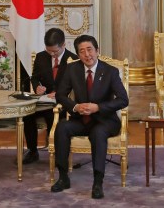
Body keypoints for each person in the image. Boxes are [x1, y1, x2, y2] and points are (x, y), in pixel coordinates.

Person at [50, 34, 129, 200]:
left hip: (105, 121)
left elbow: (123, 100)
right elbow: (61, 95)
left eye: (90, 50)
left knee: (98, 133)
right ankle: (63, 177)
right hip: (81, 119)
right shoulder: (72, 69)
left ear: (97, 51)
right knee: (62, 127)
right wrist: (75, 107)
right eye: (82, 51)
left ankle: (97, 182)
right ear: (78, 55)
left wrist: (98, 107)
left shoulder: (110, 71)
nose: (87, 55)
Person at [19, 27, 75, 164]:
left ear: (63, 45)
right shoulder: (41, 57)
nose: (52, 55)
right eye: (48, 51)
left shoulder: (73, 60)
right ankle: (32, 151)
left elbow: (76, 86)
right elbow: (35, 77)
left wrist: (60, 93)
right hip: (43, 100)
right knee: (27, 114)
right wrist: (37, 86)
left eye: (55, 51)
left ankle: (56, 152)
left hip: (63, 103)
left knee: (52, 115)